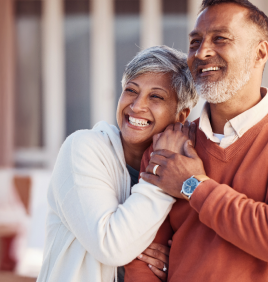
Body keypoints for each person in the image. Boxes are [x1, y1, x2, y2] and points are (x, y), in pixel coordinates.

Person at [125, 0, 268, 282]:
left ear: (260, 53)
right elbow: (142, 258)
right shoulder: (168, 146)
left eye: (220, 39)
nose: (201, 53)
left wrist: (193, 186)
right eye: (195, 42)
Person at [37, 46, 198, 282]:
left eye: (156, 96)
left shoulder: (186, 167)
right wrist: (161, 176)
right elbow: (111, 246)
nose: (136, 106)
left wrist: (172, 263)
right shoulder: (83, 148)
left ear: (181, 115)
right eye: (131, 90)